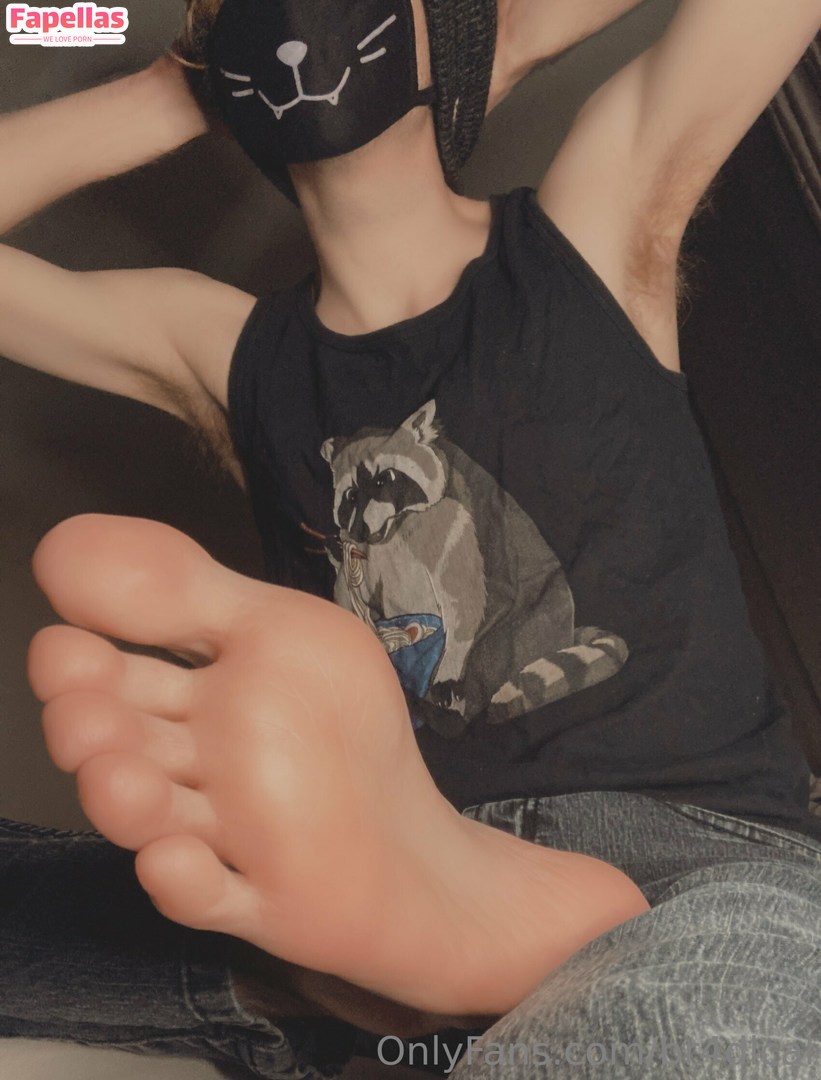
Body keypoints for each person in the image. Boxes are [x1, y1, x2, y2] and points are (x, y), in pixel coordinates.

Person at [2, 0, 821, 1077]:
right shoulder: (226, 348)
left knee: (714, 1002)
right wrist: (172, 90)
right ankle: (353, 976)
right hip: (373, 850)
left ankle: (389, 979)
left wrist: (510, 35)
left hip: (683, 846)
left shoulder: (587, 224)